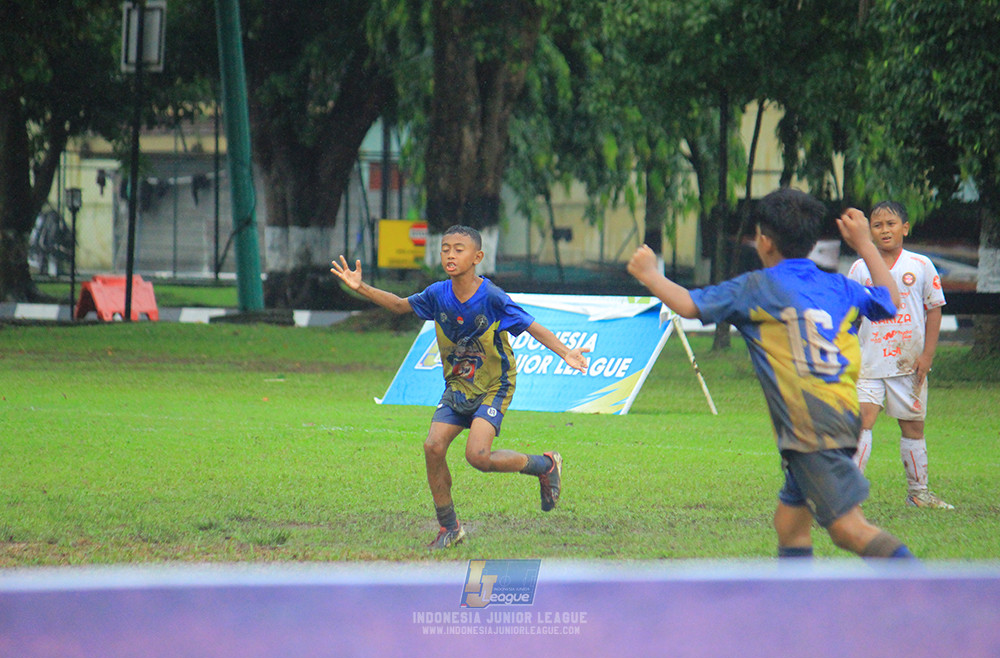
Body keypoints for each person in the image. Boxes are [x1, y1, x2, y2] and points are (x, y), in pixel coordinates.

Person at [627, 188, 916, 559]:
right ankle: (794, 612)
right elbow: (889, 301)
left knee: (848, 529)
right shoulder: (836, 285)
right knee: (789, 523)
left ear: (764, 241)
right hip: (841, 415)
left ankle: (933, 597)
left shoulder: (757, 288)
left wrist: (650, 274)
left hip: (810, 426)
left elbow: (687, 304)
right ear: (811, 242)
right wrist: (864, 244)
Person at [331, 225, 589, 549]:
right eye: (445, 249)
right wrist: (362, 287)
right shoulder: (437, 294)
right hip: (457, 386)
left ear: (478, 257)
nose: (450, 255)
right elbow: (399, 305)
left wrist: (566, 351)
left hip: (494, 385)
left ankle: (544, 464)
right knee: (433, 447)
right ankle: (449, 528)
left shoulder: (492, 297)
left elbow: (531, 325)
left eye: (459, 249)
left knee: (477, 457)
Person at [847, 201, 953, 509]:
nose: (884, 230)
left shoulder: (920, 265)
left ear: (904, 228)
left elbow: (934, 310)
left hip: (909, 363)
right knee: (863, 420)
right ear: (870, 232)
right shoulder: (860, 268)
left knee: (913, 427)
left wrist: (927, 356)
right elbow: (851, 314)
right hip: (868, 362)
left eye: (891, 224)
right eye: (877, 226)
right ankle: (848, 496)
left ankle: (918, 493)